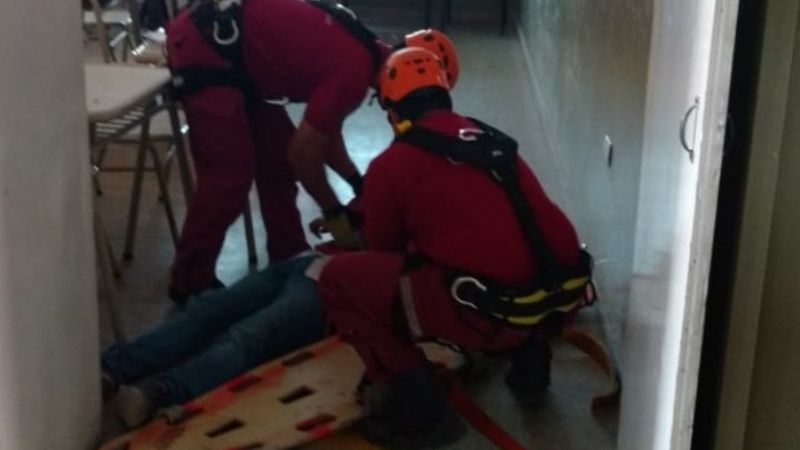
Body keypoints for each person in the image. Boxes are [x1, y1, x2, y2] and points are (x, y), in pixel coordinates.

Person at [316, 48, 593, 448]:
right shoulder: (488, 137)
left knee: (339, 280)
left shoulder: (392, 164)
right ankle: (531, 368)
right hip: (562, 293)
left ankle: (423, 412)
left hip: (493, 311)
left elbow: (386, 250)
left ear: (393, 112)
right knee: (513, 257)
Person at [165, 0, 459, 303]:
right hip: (206, 47)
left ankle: (287, 256)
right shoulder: (354, 71)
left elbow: (325, 133)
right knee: (228, 179)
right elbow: (304, 155)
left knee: (278, 163)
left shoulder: (366, 50)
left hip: (236, 53)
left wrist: (358, 185)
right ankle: (189, 281)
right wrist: (335, 214)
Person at [101, 252, 328, 428]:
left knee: (246, 336)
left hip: (333, 282)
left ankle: (162, 392)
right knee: (208, 310)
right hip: (310, 261)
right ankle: (116, 366)